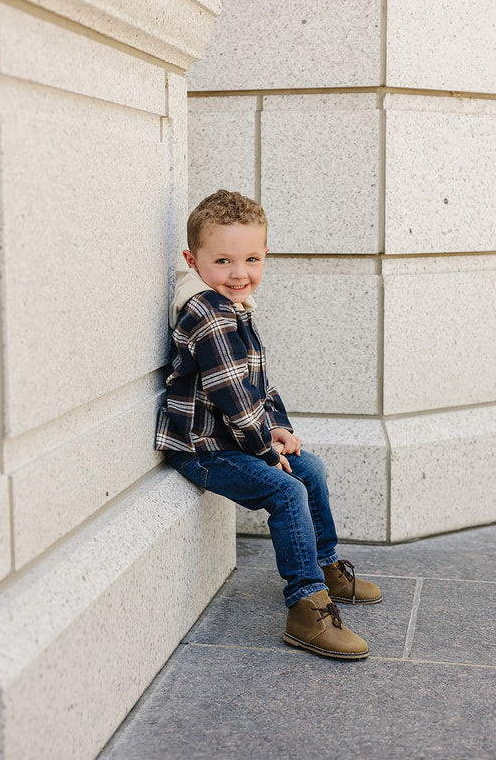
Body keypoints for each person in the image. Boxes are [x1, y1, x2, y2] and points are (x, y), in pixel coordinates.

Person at [155, 189, 382, 660]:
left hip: (233, 439)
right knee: (286, 489)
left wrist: (277, 428)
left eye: (251, 258)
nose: (239, 274)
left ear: (265, 254)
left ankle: (324, 567)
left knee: (310, 469)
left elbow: (256, 388)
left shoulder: (235, 306)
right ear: (192, 260)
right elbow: (235, 404)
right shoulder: (207, 313)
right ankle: (305, 607)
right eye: (223, 260)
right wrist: (265, 451)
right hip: (202, 450)